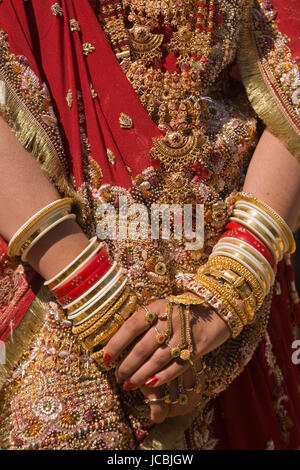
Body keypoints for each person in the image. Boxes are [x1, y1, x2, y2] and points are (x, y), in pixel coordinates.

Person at [0, 0, 299, 450]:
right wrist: (101, 305)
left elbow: (291, 70)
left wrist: (227, 292)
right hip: (48, 273)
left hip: (231, 277)